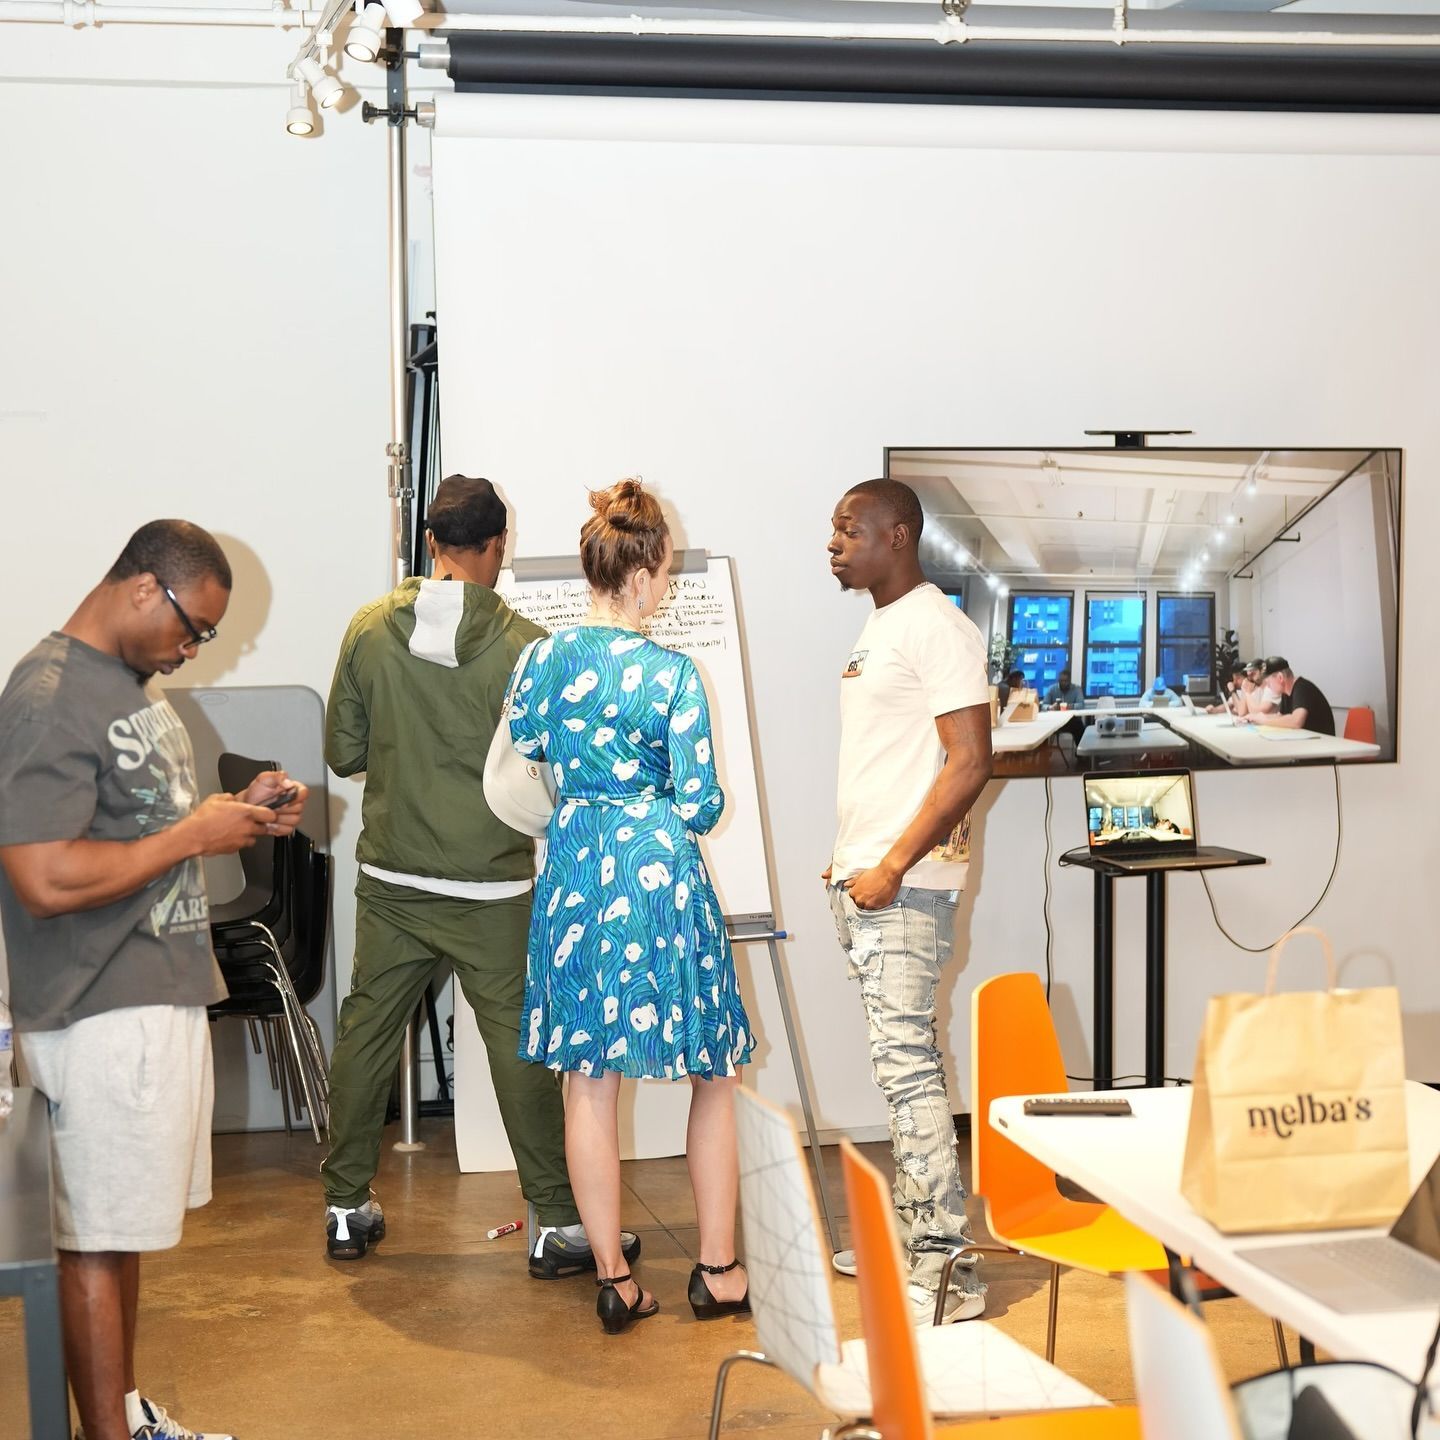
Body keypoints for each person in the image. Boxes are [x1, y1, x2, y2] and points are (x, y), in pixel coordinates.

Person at [0, 520, 308, 1440]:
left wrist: (231, 816)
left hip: (146, 995)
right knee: (93, 1238)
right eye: (194, 628)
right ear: (142, 589)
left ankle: (122, 1418)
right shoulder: (49, 697)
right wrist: (192, 836)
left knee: (116, 1232)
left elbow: (137, 827)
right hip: (97, 1007)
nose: (194, 649)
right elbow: (43, 877)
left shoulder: (123, 688)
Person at [321, 475, 638, 1279]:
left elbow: (344, 753)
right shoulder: (525, 645)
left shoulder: (367, 629)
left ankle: (346, 1207)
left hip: (393, 877)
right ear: (497, 545)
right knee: (520, 1053)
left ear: (432, 543)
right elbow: (556, 771)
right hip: (492, 888)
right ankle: (556, 1224)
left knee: (365, 1033)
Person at [510, 478, 753, 1334]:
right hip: (658, 879)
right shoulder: (675, 674)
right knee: (713, 1073)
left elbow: (532, 748)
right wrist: (655, 809)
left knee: (588, 1079)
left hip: (576, 871)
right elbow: (704, 803)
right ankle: (717, 1272)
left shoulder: (541, 658)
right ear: (645, 570)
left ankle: (613, 1276)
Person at [824, 478, 994, 1324]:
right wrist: (853, 861)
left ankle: (950, 1274)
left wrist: (890, 865)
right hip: (868, 879)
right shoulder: (883, 625)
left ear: (897, 535)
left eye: (849, 530)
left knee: (910, 1070)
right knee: (900, 1070)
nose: (834, 543)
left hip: (906, 887)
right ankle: (913, 1239)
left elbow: (969, 762)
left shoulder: (937, 626)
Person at [1252, 656, 1336, 735]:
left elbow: (1296, 721)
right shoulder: (1286, 692)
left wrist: (1264, 720)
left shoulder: (1302, 688)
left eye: (1268, 682)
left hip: (1322, 744)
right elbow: (1281, 717)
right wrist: (1257, 717)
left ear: (1280, 678)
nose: (1268, 686)